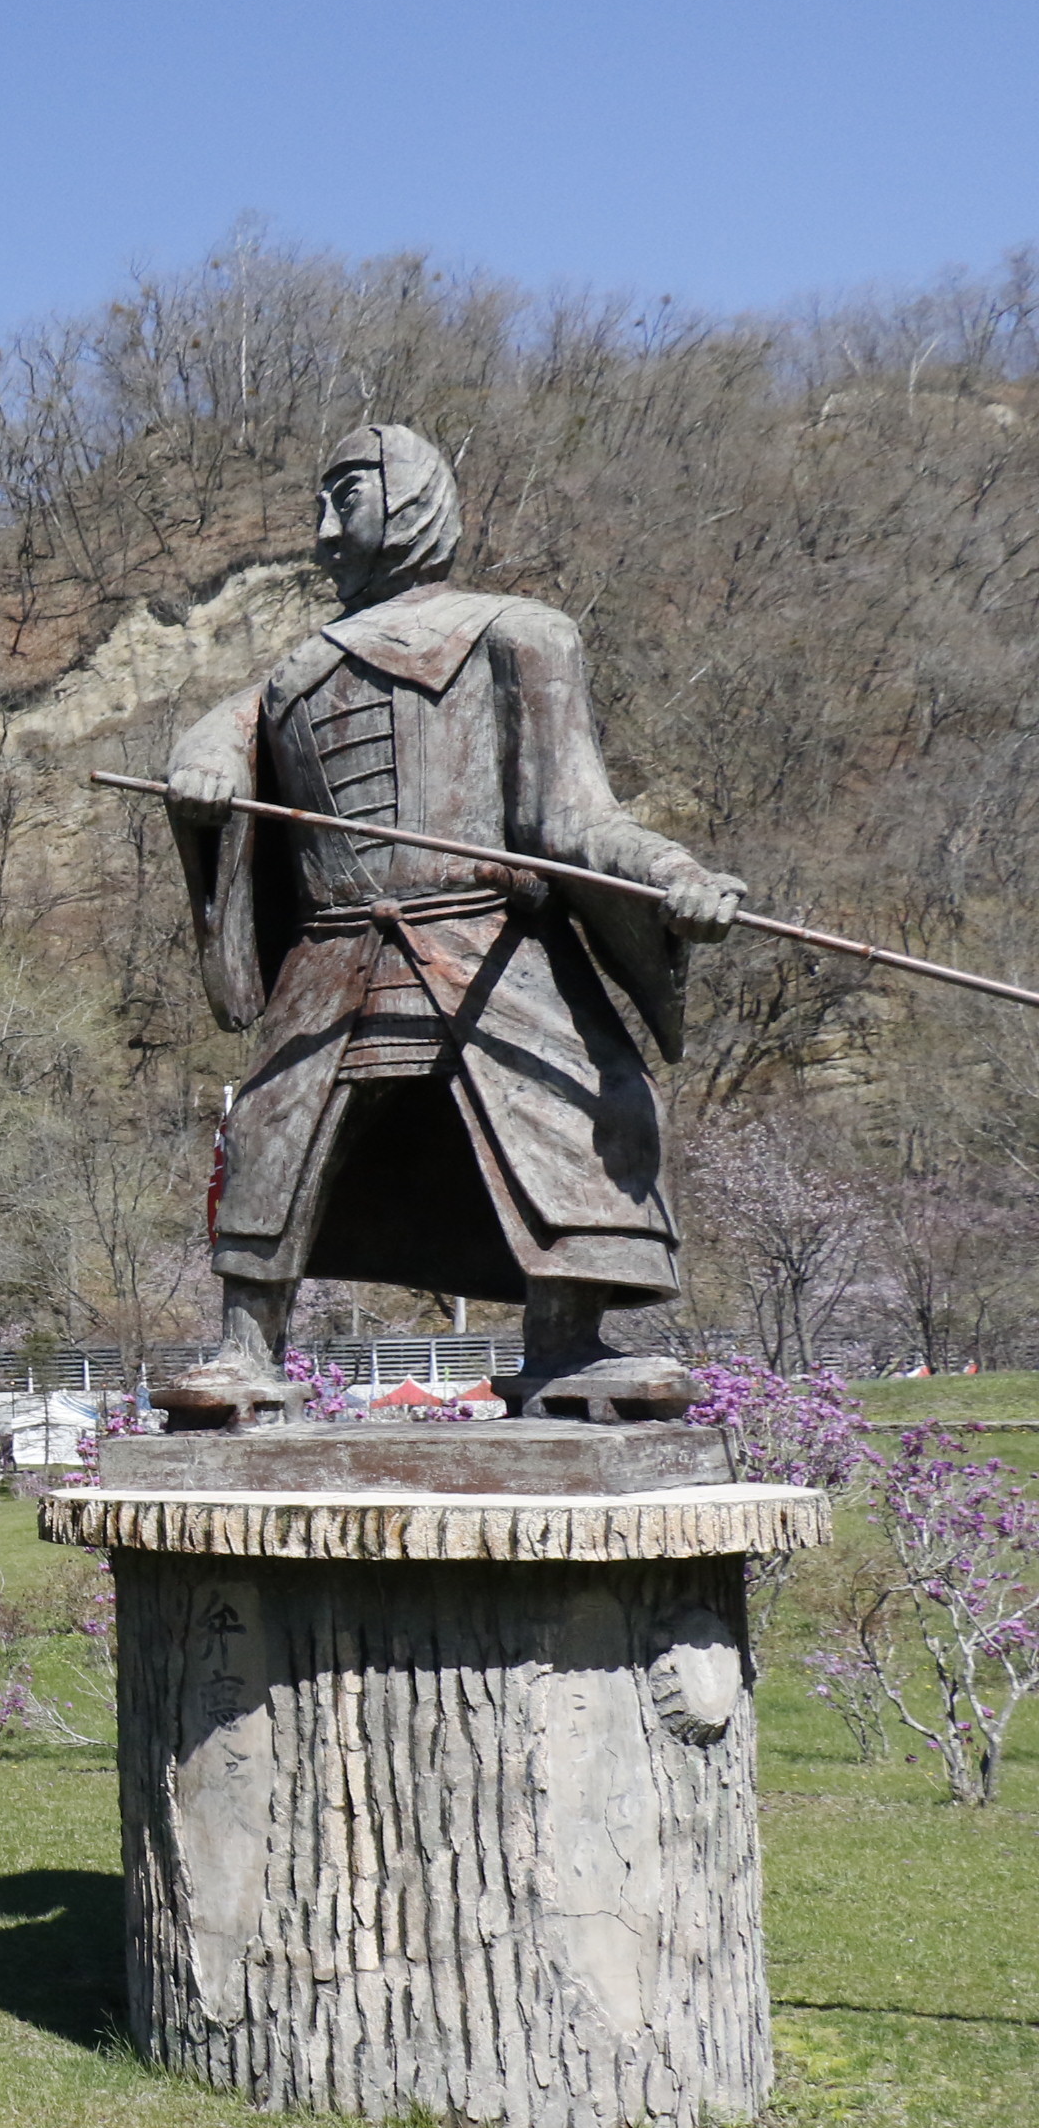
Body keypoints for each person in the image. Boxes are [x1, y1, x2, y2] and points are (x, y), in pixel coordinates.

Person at [156, 425, 746, 1424]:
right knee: (269, 1125)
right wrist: (206, 771)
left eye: (347, 496)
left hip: (494, 946)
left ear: (416, 496)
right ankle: (246, 1348)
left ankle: (565, 1341)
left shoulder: (522, 632)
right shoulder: (296, 672)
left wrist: (674, 874)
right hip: (335, 953)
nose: (323, 530)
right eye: (319, 504)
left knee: (578, 1102)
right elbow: (223, 731)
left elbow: (576, 816)